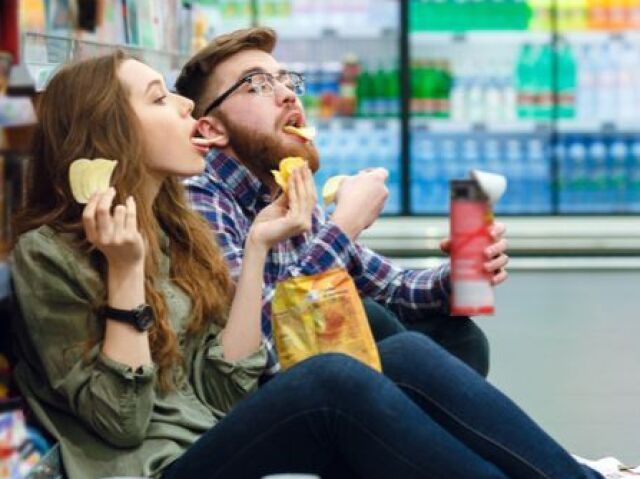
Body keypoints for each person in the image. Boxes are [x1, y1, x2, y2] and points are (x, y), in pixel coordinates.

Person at [11, 51, 621, 479]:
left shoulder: (172, 227)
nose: (182, 105)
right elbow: (122, 424)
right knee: (338, 377)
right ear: (109, 131)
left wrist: (257, 251)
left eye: (287, 80)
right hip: (150, 466)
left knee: (406, 348)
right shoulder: (54, 253)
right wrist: (124, 274)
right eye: (158, 98)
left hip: (215, 432)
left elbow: (224, 387)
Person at [175, 27, 508, 378]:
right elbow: (259, 351)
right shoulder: (200, 198)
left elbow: (392, 287)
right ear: (211, 129)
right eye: (258, 84)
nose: (288, 95)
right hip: (263, 399)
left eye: (286, 81)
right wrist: (344, 226)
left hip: (320, 379)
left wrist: (457, 274)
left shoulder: (283, 188)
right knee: (371, 318)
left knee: (459, 338)